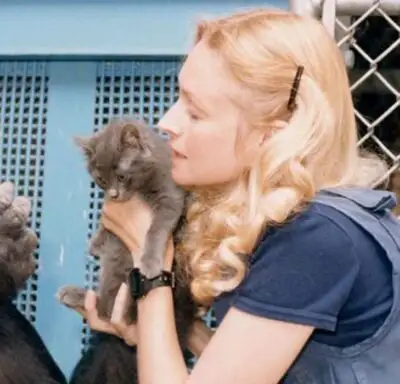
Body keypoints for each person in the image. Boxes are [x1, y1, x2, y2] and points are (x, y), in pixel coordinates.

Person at [73, 8, 400, 384]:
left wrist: (151, 270)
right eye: (178, 98)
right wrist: (180, 331)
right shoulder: (317, 223)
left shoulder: (314, 237)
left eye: (195, 112)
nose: (168, 122)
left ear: (271, 135)